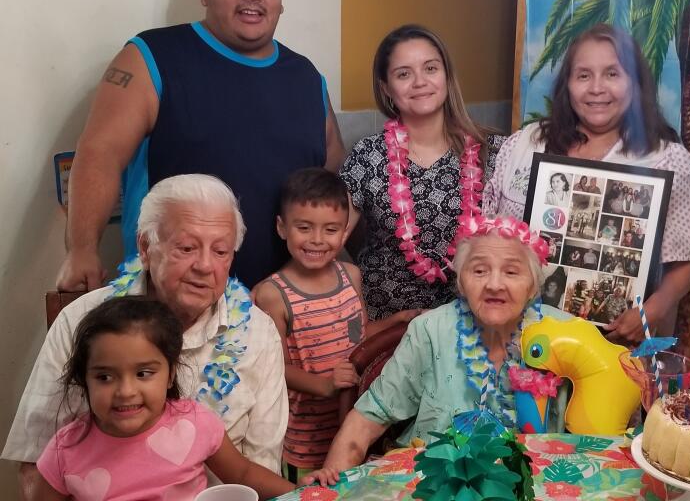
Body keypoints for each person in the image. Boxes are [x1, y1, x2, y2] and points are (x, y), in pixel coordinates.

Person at [56, 0, 345, 291]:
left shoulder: (307, 78)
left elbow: (332, 178)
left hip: (283, 307)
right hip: (170, 304)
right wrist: (82, 249)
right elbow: (100, 152)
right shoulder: (150, 56)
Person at [4, 174, 287, 497]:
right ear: (145, 246)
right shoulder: (83, 320)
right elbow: (33, 462)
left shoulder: (257, 332)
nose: (206, 266)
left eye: (221, 251)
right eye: (187, 247)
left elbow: (259, 467)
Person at [301, 217, 570, 485]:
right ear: (462, 283)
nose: (494, 284)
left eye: (511, 272)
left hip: (535, 484)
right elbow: (367, 418)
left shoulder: (564, 334)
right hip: (431, 482)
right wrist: (327, 484)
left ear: (533, 286)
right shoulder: (430, 330)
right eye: (479, 271)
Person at [484, 23, 690, 343]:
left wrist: (650, 312)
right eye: (583, 75)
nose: (596, 88)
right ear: (567, 85)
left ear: (635, 83)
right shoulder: (524, 143)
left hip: (610, 345)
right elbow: (485, 232)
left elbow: (685, 258)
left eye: (613, 74)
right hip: (515, 333)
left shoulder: (666, 158)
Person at [31, 297, 294, 500]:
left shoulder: (195, 422)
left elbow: (243, 473)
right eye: (105, 377)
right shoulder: (64, 451)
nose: (126, 391)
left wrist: (302, 492)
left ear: (170, 375)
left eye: (143, 373)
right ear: (84, 380)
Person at [251, 168, 416, 482]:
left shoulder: (350, 275)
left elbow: (359, 335)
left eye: (330, 230)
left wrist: (396, 321)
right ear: (282, 228)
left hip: (355, 425)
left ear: (344, 234)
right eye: (304, 227)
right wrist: (325, 383)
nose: (316, 239)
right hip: (304, 441)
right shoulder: (272, 295)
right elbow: (271, 368)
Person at [340, 24, 504, 320]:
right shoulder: (367, 155)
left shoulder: (492, 153)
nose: (420, 82)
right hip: (385, 324)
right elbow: (327, 236)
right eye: (404, 74)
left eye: (430, 68)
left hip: (470, 323)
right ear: (386, 88)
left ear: (446, 76)